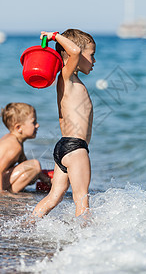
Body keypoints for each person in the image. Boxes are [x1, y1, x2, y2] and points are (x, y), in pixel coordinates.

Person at [33, 29, 96, 218]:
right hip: (76, 149)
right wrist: (55, 36)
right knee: (81, 199)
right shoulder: (66, 76)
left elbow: (76, 52)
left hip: (63, 147)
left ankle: (27, 225)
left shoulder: (68, 79)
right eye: (92, 55)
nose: (94, 61)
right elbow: (75, 52)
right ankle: (85, 239)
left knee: (54, 197)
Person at [0, 102, 52, 192]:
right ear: (18, 127)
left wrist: (47, 180)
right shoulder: (14, 146)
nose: (37, 125)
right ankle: (9, 193)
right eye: (33, 122)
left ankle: (8, 192)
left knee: (32, 171)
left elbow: (24, 164)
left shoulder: (13, 140)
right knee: (34, 165)